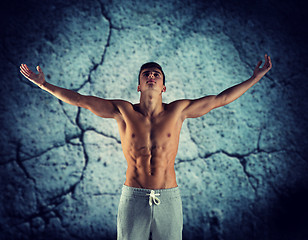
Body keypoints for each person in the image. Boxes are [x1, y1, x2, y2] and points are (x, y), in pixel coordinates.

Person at [20, 54, 272, 240]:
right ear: (139, 86)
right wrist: (44, 84)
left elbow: (221, 99)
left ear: (163, 87)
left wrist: (254, 78)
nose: (151, 76)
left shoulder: (179, 110)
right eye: (146, 74)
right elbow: (80, 100)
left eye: (156, 74)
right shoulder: (123, 110)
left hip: (169, 197)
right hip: (134, 196)